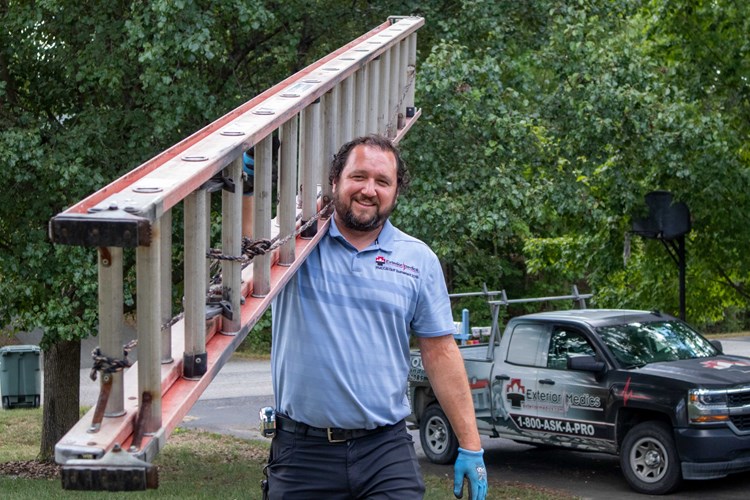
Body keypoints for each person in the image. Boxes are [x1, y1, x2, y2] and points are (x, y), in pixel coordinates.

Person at [267, 135, 488, 499]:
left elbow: (440, 353)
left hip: (384, 452)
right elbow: (246, 251)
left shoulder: (418, 259)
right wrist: (248, 190)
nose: (369, 190)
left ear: (396, 191)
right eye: (359, 177)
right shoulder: (293, 246)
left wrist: (471, 445)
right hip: (303, 453)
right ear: (335, 181)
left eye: (382, 181)